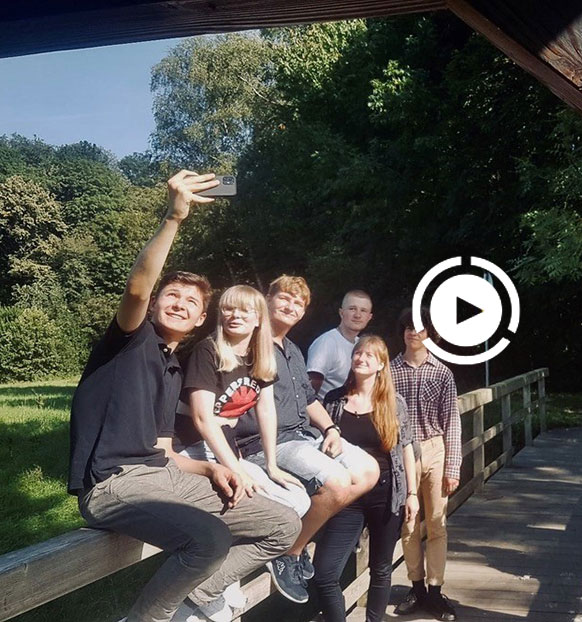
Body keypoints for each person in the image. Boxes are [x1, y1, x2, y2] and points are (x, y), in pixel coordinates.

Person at [68, 171, 300, 622]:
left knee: (283, 524)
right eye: (172, 295)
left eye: (192, 302)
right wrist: (174, 218)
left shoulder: (174, 367)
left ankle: (193, 600)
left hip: (164, 476)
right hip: (112, 485)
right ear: (156, 304)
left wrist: (212, 467)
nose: (179, 303)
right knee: (209, 539)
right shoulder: (130, 341)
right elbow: (137, 286)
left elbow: (165, 451)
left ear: (199, 321)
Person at [238, 276, 380, 603]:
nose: (291, 307)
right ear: (267, 299)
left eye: (298, 303)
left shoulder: (292, 350)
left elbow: (309, 400)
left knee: (369, 471)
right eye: (284, 298)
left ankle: (297, 539)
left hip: (303, 436)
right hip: (268, 444)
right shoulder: (250, 343)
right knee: (337, 483)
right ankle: (288, 552)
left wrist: (331, 429)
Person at [172, 284, 313, 604]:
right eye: (228, 308)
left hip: (222, 444)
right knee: (245, 496)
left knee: (299, 501)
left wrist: (272, 466)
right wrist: (237, 470)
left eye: (245, 310)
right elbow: (202, 419)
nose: (235, 315)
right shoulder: (208, 351)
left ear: (259, 318)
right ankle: (212, 584)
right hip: (190, 446)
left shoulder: (260, 356)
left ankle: (232, 568)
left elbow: (266, 409)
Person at [312, 336, 419, 621]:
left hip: (386, 493)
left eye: (370, 355)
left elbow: (407, 447)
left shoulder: (394, 403)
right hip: (346, 494)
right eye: (358, 353)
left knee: (381, 569)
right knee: (324, 572)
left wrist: (412, 494)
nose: (361, 359)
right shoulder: (334, 400)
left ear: (382, 364)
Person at [392, 308, 461, 621]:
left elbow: (452, 422)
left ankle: (435, 591)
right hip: (402, 451)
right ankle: (416, 588)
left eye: (419, 328)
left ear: (430, 334)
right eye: (408, 327)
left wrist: (453, 467)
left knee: (436, 523)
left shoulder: (442, 372)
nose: (413, 333)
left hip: (434, 448)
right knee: (409, 524)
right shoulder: (389, 371)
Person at [306, 290, 374, 400]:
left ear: (369, 317)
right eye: (352, 309)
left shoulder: (362, 346)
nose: (357, 315)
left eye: (363, 310)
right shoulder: (326, 343)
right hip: (327, 409)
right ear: (341, 313)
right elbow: (309, 393)